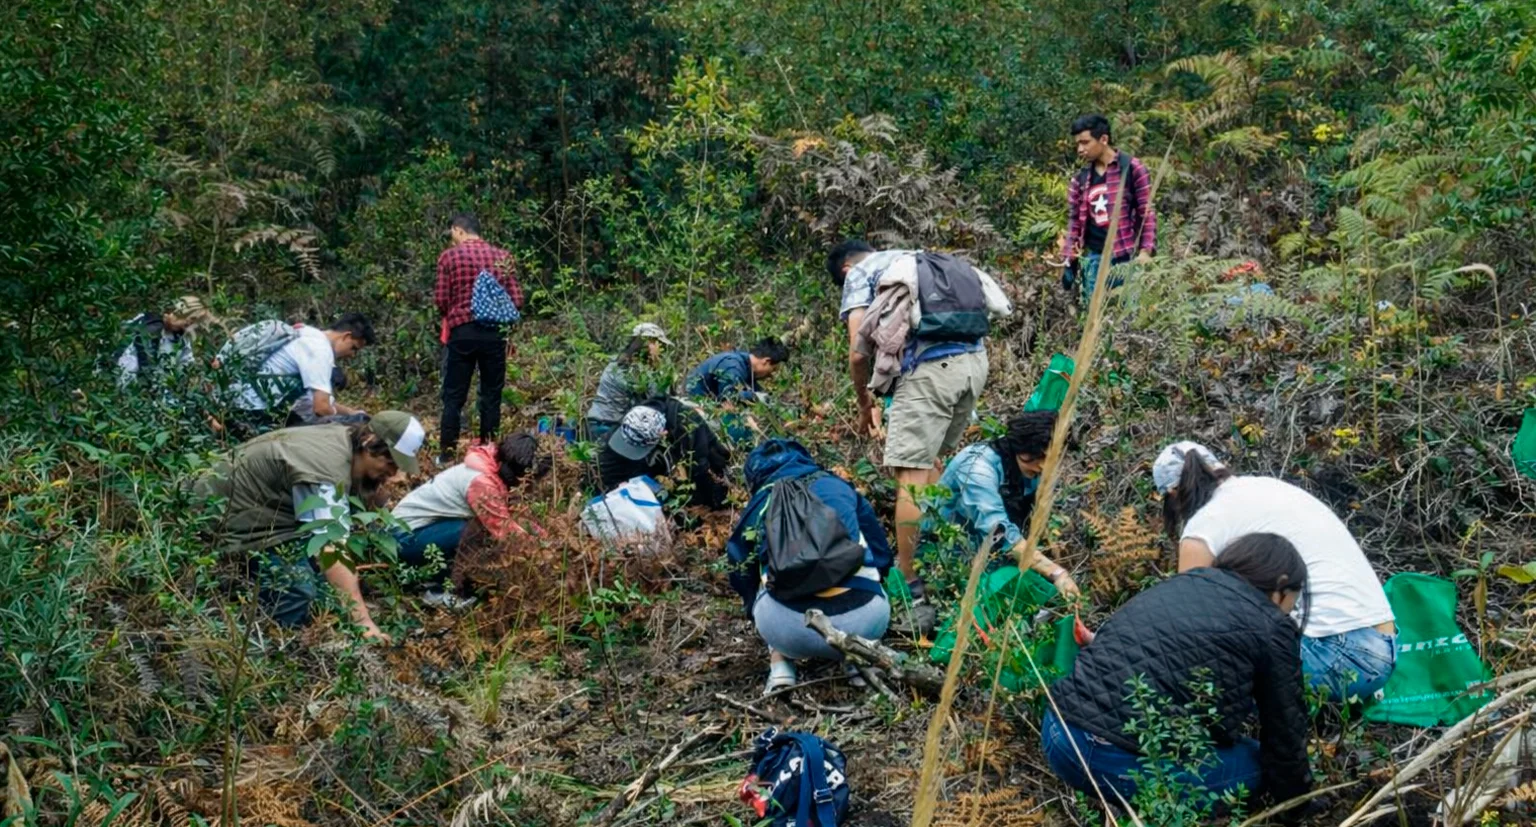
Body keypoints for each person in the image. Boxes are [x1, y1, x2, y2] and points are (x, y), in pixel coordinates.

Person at [1043, 533, 1312, 808]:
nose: (1292, 607)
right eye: (1295, 596)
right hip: (1111, 758)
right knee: (1256, 766)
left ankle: (1121, 803)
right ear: (1281, 584)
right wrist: (1299, 804)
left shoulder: (1185, 581)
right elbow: (1285, 734)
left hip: (1058, 733)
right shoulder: (1271, 625)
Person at [827, 240, 1000, 628]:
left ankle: (911, 583)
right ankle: (947, 551)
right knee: (932, 462)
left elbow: (858, 353)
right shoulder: (915, 258)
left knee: (909, 476)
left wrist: (864, 402)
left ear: (845, 270)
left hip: (929, 370)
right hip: (974, 365)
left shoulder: (860, 275)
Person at [1154, 441, 1396, 703]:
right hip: (1385, 642)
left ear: (1174, 493)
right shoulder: (1265, 488)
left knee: (1210, 657)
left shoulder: (1204, 525)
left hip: (1340, 655)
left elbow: (1187, 620)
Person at [201, 412, 427, 641]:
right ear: (369, 442)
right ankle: (282, 646)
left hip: (264, 511)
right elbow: (331, 550)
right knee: (300, 593)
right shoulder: (324, 470)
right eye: (390, 462)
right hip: (219, 516)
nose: (393, 473)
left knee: (327, 595)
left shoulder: (345, 439)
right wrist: (364, 623)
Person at [725, 439, 893, 693]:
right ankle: (856, 659)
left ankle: (781, 665)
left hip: (788, 630)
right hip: (866, 621)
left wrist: (753, 609)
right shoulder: (837, 486)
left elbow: (740, 570)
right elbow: (881, 554)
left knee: (764, 578)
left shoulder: (760, 503)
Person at [392, 432, 550, 608]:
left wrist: (544, 537)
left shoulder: (490, 467)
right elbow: (504, 530)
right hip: (401, 540)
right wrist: (545, 553)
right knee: (476, 530)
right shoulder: (481, 482)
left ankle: (439, 578)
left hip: (418, 532)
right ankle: (446, 592)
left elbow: (514, 516)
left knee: (476, 530)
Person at [933, 410, 1080, 597]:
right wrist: (1057, 573)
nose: (1044, 466)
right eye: (1039, 457)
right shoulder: (977, 470)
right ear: (1022, 445)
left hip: (995, 557)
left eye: (1051, 459)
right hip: (947, 561)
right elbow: (1001, 534)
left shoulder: (1029, 468)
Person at [434, 212, 524, 465]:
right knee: (491, 395)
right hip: (494, 334)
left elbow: (441, 300)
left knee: (454, 397)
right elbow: (517, 300)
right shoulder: (503, 257)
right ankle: (488, 451)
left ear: (458, 230)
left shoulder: (449, 257)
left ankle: (447, 455)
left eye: (452, 235)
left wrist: (455, 314)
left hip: (462, 333)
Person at [1053, 114, 1157, 301]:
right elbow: (1074, 222)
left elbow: (1146, 212)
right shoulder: (1080, 179)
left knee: (1130, 317)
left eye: (1085, 143)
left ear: (1103, 139)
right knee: (1092, 317)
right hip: (1095, 259)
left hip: (1127, 257)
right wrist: (1069, 258)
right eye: (1077, 144)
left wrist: (1145, 252)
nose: (1080, 149)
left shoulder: (1132, 168)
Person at [228, 313, 375, 434]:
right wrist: (352, 424)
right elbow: (321, 408)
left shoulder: (305, 332)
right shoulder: (320, 350)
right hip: (254, 411)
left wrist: (350, 412)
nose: (352, 355)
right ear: (346, 337)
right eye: (354, 348)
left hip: (240, 399)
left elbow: (309, 401)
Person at [596, 399, 731, 510]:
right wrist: (614, 487)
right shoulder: (636, 418)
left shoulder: (689, 430)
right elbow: (608, 463)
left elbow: (702, 471)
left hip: (704, 449)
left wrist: (712, 507)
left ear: (663, 434)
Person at [584, 322, 674, 441]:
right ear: (649, 343)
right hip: (606, 427)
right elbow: (654, 398)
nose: (661, 350)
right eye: (659, 344)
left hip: (601, 424)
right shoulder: (632, 368)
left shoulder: (622, 362)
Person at [115, 296, 219, 388]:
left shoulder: (180, 339)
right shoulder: (148, 326)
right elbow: (144, 363)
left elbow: (186, 364)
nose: (187, 323)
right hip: (127, 382)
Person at [686, 337, 788, 402]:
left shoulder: (746, 367)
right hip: (693, 405)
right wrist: (755, 397)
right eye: (773, 369)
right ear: (766, 361)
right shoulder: (733, 365)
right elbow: (728, 397)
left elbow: (754, 389)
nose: (771, 374)